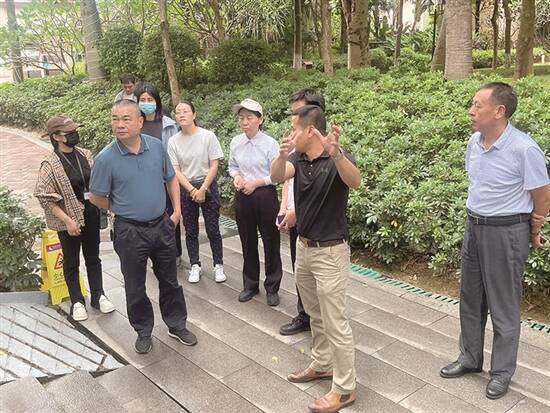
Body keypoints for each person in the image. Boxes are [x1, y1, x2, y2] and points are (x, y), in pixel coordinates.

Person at [440, 82, 550, 400]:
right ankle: (469, 358)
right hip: (474, 226)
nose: (471, 111)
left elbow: (542, 196)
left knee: (503, 305)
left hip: (507, 231)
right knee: (470, 298)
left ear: (499, 111)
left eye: (478, 105)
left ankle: (501, 372)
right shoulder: (474, 142)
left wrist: (534, 229)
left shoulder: (524, 149)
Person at [271, 105, 361, 413]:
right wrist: (281, 155)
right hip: (304, 248)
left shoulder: (336, 156)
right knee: (315, 314)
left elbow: (355, 181)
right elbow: (276, 176)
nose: (290, 132)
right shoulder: (297, 158)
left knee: (335, 321)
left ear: (311, 130)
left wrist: (337, 154)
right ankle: (322, 364)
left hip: (331, 252)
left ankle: (345, 388)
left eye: (295, 128)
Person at [89, 99, 197, 354]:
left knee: (170, 280)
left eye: (126, 119)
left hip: (161, 225)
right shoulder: (106, 158)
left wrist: (177, 211)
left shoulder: (156, 147)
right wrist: (120, 207)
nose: (119, 124)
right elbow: (96, 197)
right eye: (115, 119)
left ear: (140, 121)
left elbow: (171, 178)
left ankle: (176, 324)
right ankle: (143, 330)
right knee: (134, 285)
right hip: (129, 231)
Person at [34, 116, 115, 321]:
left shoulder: (85, 155)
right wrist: (67, 220)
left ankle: (98, 295)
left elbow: (98, 183)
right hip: (67, 219)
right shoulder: (50, 164)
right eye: (68, 132)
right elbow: (44, 196)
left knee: (93, 257)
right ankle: (77, 301)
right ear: (56, 137)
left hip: (90, 213)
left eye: (74, 131)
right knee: (71, 261)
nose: (74, 135)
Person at [279, 89, 326, 336]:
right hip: (295, 217)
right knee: (300, 270)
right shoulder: (297, 148)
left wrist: (296, 211)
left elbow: (319, 191)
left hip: (319, 227)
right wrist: (284, 207)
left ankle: (321, 320)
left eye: (299, 112)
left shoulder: (327, 150)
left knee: (321, 277)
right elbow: (286, 178)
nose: (294, 118)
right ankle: (304, 314)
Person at [229, 98, 283, 306]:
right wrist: (237, 177)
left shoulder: (270, 144)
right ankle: (250, 284)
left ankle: (272, 286)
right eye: (241, 118)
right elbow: (233, 166)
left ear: (260, 120)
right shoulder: (236, 142)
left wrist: (256, 183)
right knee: (247, 240)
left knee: (271, 241)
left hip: (265, 195)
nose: (244, 122)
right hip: (243, 194)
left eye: (249, 117)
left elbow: (276, 175)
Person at [167, 101, 226, 284]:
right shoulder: (173, 141)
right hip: (187, 188)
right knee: (190, 229)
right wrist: (192, 189)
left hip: (207, 185)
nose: (181, 115)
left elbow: (214, 164)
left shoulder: (207, 136)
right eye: (178, 112)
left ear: (194, 114)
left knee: (213, 228)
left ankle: (218, 264)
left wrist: (203, 189)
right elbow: (175, 170)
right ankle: (195, 264)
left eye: (185, 111)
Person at [134, 82, 183, 265]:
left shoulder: (168, 124)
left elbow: (175, 152)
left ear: (157, 101)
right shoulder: (135, 125)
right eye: (143, 100)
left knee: (171, 216)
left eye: (150, 99)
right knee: (149, 218)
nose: (146, 103)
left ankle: (174, 253)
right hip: (143, 181)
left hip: (166, 178)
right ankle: (152, 253)